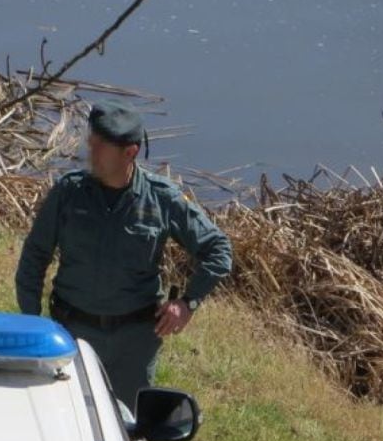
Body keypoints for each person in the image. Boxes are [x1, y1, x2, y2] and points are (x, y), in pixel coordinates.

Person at [15, 100, 233, 410]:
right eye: (91, 143)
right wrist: (32, 324)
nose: (90, 151)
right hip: (73, 334)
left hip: (133, 345)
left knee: (128, 429)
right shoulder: (68, 193)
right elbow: (34, 256)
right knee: (70, 417)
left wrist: (187, 303)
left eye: (100, 147)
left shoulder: (162, 199)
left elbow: (218, 250)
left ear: (129, 153)